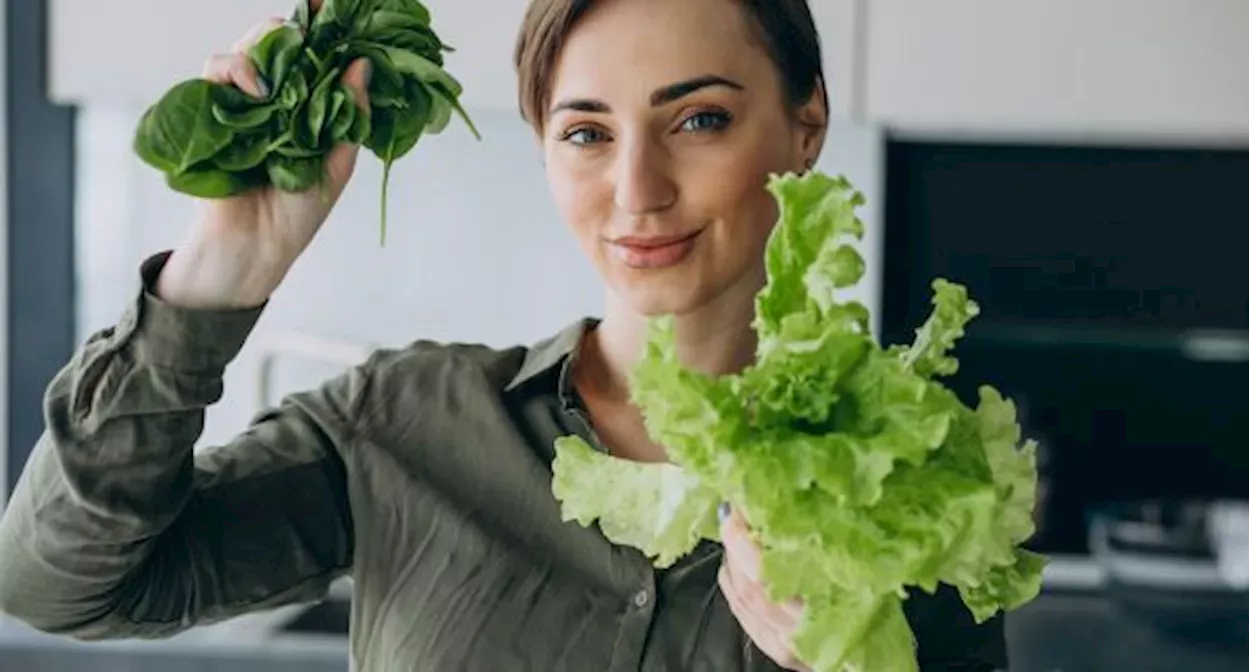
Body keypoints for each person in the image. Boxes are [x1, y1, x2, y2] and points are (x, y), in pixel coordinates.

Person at [0, 0, 1009, 669]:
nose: (637, 190)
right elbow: (57, 585)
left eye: (697, 119)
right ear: (543, 149)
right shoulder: (399, 426)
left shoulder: (909, 479)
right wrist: (221, 274)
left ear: (804, 123)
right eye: (585, 133)